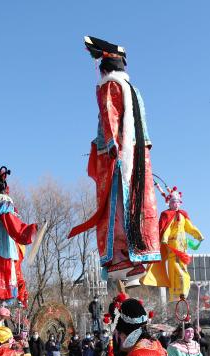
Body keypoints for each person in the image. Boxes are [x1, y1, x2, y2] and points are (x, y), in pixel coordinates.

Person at [68, 36, 160, 285]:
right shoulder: (134, 90)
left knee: (116, 204)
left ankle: (120, 257)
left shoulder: (109, 86)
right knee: (137, 203)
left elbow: (110, 117)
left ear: (104, 68)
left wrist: (110, 147)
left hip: (119, 154)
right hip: (139, 153)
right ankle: (137, 257)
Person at [0, 166, 37, 306]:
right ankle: (5, 298)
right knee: (6, 270)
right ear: (4, 187)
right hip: (3, 239)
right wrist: (30, 229)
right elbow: (11, 221)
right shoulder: (5, 200)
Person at [142, 184, 204, 300]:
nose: (175, 204)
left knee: (183, 269)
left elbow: (190, 227)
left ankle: (183, 290)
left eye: (177, 202)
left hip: (182, 247)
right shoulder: (166, 214)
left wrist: (198, 235)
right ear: (169, 203)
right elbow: (167, 229)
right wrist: (164, 239)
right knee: (174, 269)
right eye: (173, 202)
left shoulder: (183, 215)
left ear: (179, 203)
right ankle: (175, 293)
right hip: (172, 247)